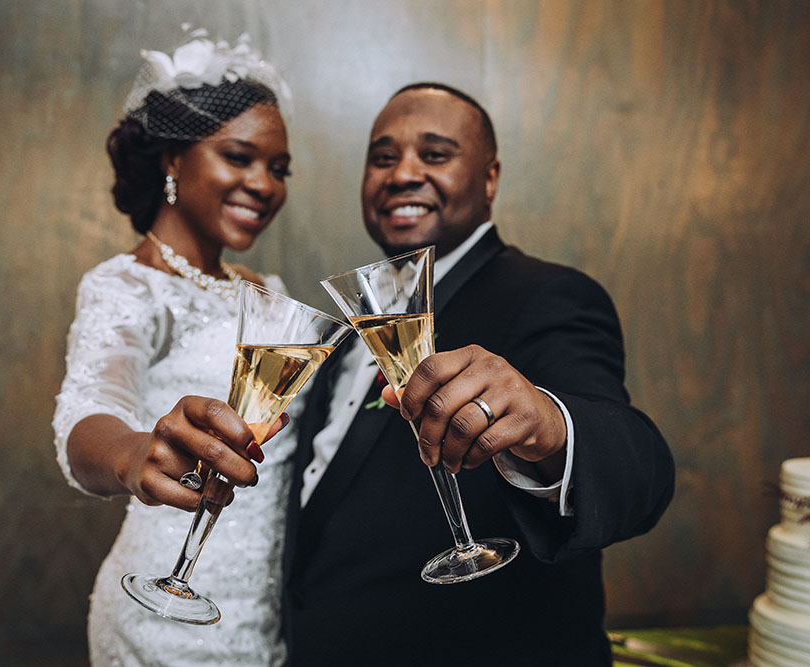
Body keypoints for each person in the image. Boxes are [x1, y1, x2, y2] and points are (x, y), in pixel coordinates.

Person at [281, 83, 676, 665]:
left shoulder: (550, 296)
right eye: (383, 158)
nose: (402, 174)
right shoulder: (350, 322)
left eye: (435, 155)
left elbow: (638, 471)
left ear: (489, 178)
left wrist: (548, 423)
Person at [53, 32, 295, 666]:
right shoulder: (129, 286)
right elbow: (89, 416)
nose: (263, 184)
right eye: (239, 157)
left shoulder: (267, 292)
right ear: (173, 160)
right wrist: (136, 453)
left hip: (268, 614)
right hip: (162, 617)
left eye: (278, 168)